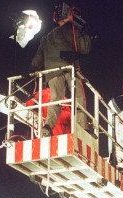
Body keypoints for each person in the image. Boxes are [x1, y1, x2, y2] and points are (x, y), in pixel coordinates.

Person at [29, 5, 91, 136]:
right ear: (68, 15)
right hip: (70, 69)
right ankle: (82, 127)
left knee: (56, 100)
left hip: (52, 73)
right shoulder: (70, 30)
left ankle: (48, 126)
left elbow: (38, 58)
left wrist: (30, 70)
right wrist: (86, 34)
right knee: (79, 97)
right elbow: (84, 48)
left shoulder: (46, 37)